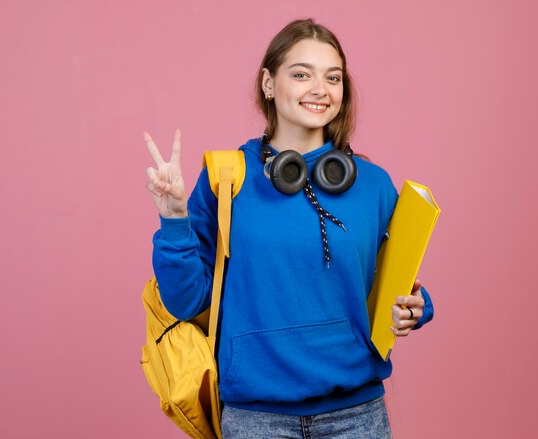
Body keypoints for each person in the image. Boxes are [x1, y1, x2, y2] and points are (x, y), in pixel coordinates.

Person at [144, 18, 434, 439]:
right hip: (255, 418)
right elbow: (186, 302)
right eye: (302, 74)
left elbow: (403, 286)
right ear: (268, 82)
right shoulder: (226, 177)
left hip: (357, 415)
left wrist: (416, 309)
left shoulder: (373, 184)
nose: (320, 89)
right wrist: (173, 219)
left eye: (332, 77)